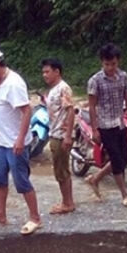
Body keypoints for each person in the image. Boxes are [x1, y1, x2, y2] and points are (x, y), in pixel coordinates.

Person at [0, 44, 42, 235]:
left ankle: (35, 217)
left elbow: (27, 110)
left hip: (15, 142)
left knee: (21, 180)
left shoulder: (14, 83)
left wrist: (20, 139)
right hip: (3, 141)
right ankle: (0, 214)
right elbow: (2, 109)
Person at [85, 43, 127, 206]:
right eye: (107, 64)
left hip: (120, 123)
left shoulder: (123, 77)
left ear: (118, 61)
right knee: (116, 159)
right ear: (102, 63)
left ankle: (95, 178)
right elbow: (92, 105)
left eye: (113, 64)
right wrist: (94, 129)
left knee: (124, 159)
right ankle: (124, 194)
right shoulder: (95, 80)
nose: (110, 68)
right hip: (104, 125)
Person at [41, 58, 76, 215]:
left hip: (61, 135)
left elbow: (70, 111)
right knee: (59, 168)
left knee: (62, 169)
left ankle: (67, 203)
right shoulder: (53, 90)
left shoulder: (63, 88)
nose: (44, 75)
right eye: (43, 72)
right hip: (54, 133)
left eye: (47, 71)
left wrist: (68, 136)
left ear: (57, 71)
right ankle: (66, 201)